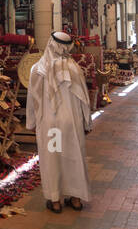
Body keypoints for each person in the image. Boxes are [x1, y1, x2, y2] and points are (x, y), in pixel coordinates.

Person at [25, 30, 92, 213]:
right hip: (71, 124)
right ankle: (76, 199)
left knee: (53, 159)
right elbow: (84, 100)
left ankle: (55, 201)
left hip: (51, 126)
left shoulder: (38, 69)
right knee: (73, 158)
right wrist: (87, 123)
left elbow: (33, 101)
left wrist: (31, 123)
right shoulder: (75, 69)